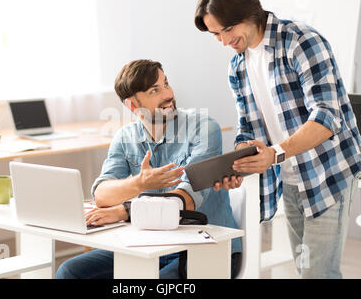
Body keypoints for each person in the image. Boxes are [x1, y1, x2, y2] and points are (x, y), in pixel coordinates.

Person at [194, 0, 361, 278]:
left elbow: (327, 116)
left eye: (227, 30)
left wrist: (274, 153)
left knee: (318, 273)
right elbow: (248, 127)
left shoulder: (300, 41)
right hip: (289, 175)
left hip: (327, 171)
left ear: (248, 13)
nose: (223, 41)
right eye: (215, 35)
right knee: (305, 270)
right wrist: (240, 162)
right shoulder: (238, 65)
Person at [56, 59, 242, 279]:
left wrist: (124, 210)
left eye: (166, 83)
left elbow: (186, 200)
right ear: (133, 105)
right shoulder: (125, 138)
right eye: (155, 90)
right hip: (150, 245)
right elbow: (102, 196)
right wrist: (140, 183)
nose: (168, 94)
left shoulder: (203, 128)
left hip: (206, 247)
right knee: (70, 271)